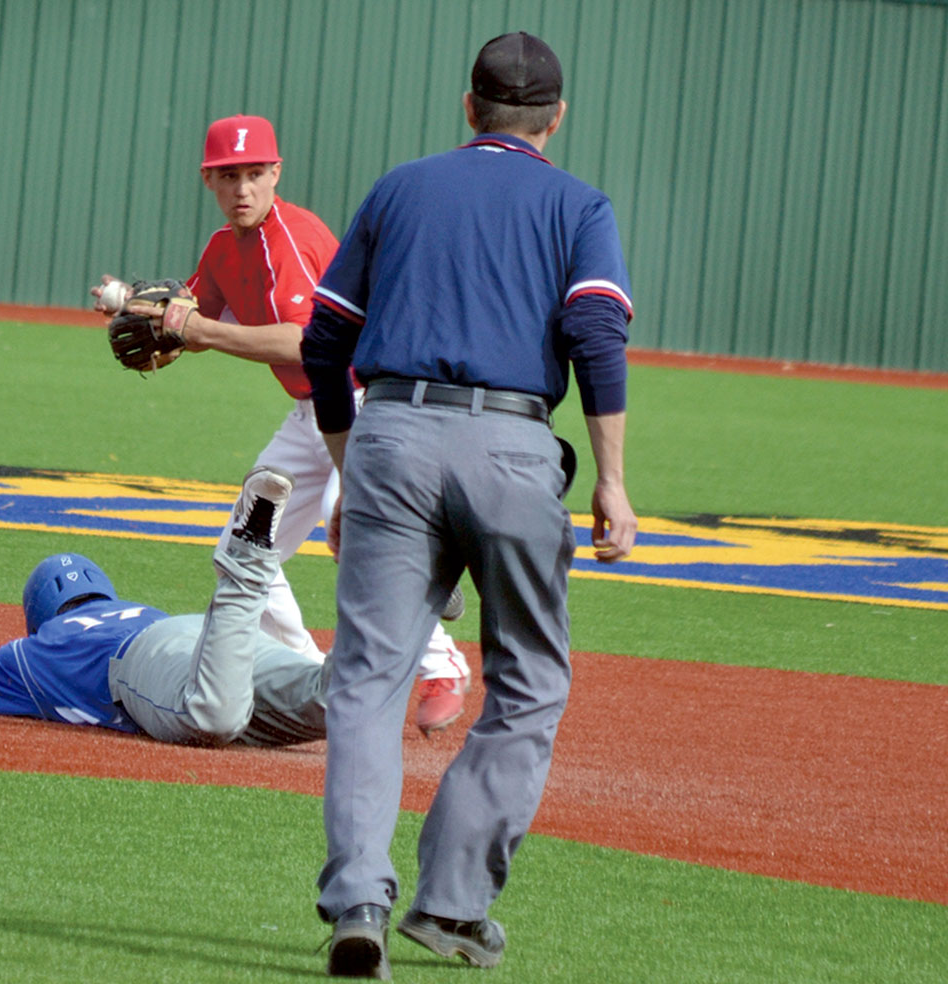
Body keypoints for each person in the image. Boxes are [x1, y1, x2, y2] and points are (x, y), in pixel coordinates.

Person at [300, 33, 639, 978]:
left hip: (394, 438)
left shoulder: (403, 187)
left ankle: (358, 903)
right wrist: (610, 481)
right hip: (512, 445)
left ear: (469, 107)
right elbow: (595, 335)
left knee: (369, 681)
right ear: (556, 119)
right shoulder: (579, 205)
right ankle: (450, 907)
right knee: (529, 679)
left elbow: (325, 343)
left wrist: (346, 465)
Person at [92, 114, 471, 735]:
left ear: (275, 174)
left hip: (367, 400)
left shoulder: (291, 237)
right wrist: (150, 327)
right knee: (243, 549)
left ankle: (440, 663)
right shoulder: (222, 250)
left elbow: (303, 344)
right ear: (208, 181)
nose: (243, 188)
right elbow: (186, 326)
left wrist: (195, 329)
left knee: (357, 529)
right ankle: (309, 669)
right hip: (312, 414)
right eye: (229, 176)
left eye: (254, 174)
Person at [0, 466, 331, 749]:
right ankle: (388, 595)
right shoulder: (132, 607)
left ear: (40, 612)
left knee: (212, 719)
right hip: (197, 636)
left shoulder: (35, 650)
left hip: (151, 659)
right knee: (340, 702)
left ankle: (247, 556)